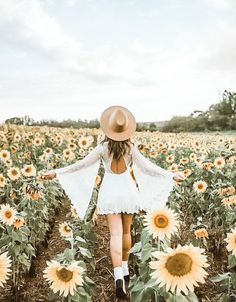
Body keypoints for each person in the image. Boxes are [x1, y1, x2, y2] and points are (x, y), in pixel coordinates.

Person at [39, 105, 185, 299]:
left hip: (109, 192)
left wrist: (56, 172)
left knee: (115, 235)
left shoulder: (102, 149)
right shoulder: (130, 148)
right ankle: (125, 271)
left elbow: (81, 165)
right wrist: (171, 175)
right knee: (126, 232)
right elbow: (149, 168)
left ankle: (117, 277)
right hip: (128, 191)